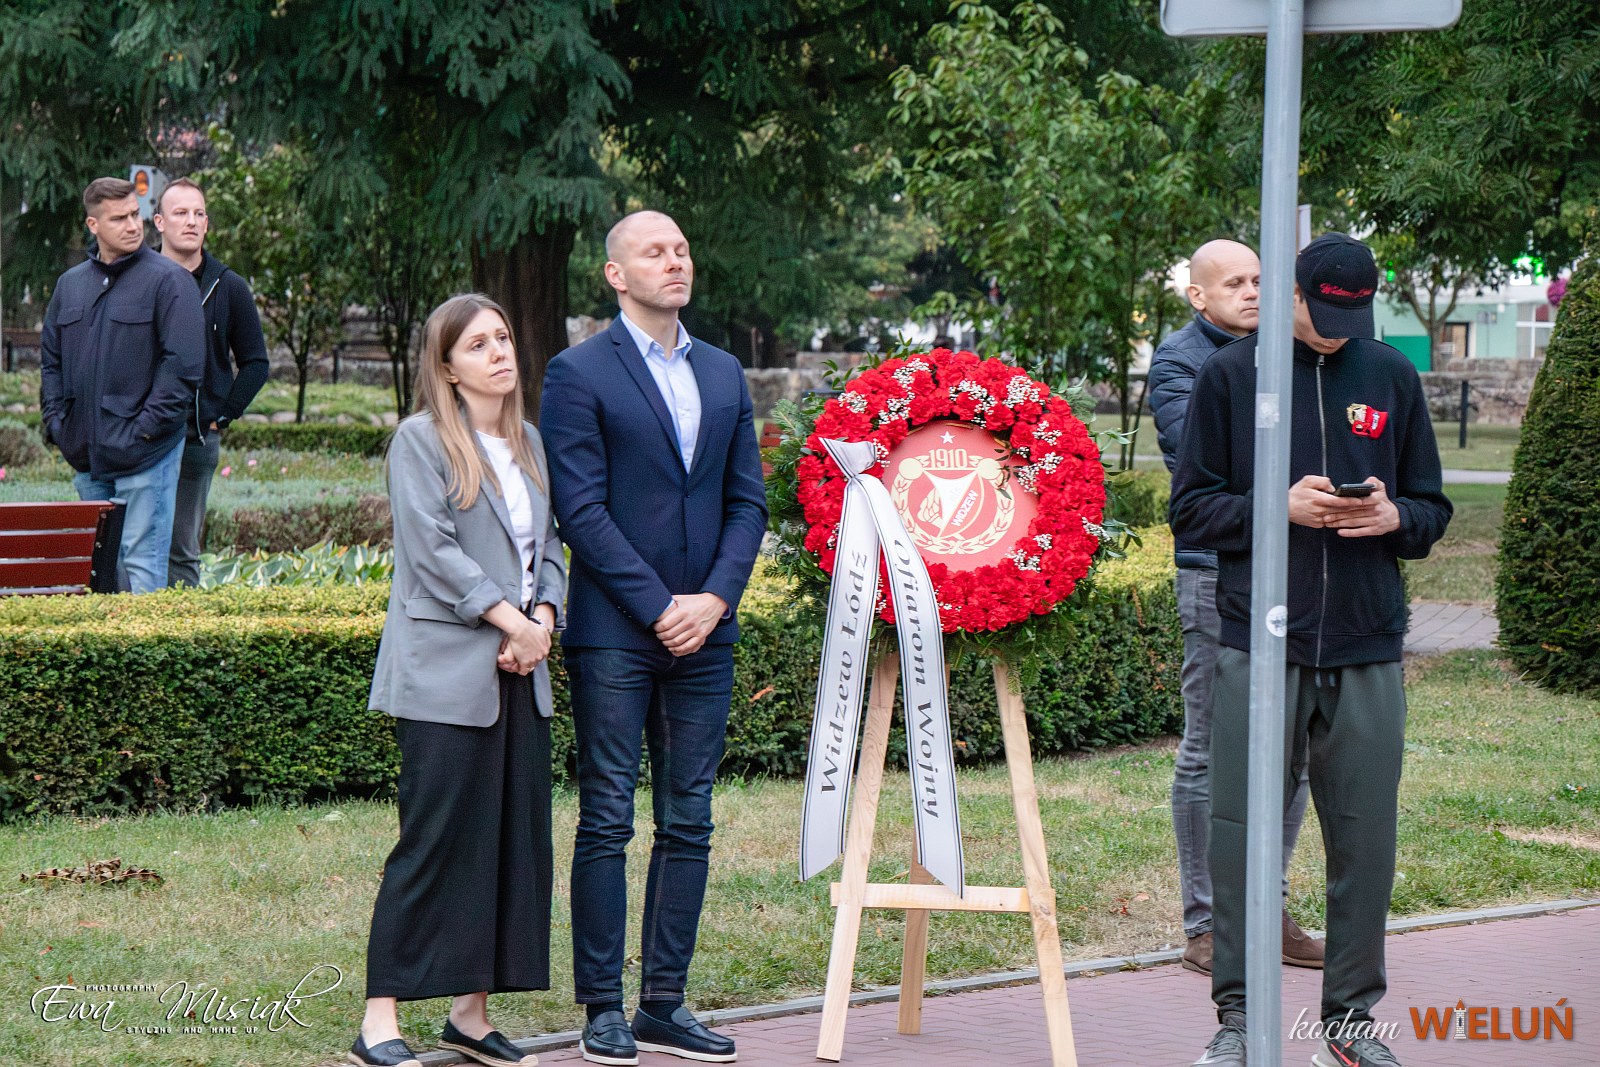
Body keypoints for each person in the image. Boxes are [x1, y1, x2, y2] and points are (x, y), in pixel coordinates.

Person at [1171, 234, 1451, 1067]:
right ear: (1292, 293)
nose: (1336, 330)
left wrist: (1397, 516)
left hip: (1366, 643)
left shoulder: (1390, 375)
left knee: (1365, 841)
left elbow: (1431, 508)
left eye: (1351, 316)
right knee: (1239, 835)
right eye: (1324, 311)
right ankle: (1239, 1017)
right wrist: (1276, 506)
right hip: (1259, 641)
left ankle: (1351, 1022)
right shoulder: (1232, 375)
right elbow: (1191, 511)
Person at [540, 211, 767, 1066]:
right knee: (607, 816)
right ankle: (602, 1007)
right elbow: (580, 509)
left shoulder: (723, 371)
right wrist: (657, 604)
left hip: (706, 631)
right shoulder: (577, 372)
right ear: (615, 274)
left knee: (690, 818)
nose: (675, 261)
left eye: (681, 249)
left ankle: (664, 1003)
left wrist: (712, 599)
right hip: (615, 633)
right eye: (654, 252)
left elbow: (747, 501)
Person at [354, 294, 566, 1067]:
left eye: (503, 337)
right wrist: (514, 623)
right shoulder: (420, 440)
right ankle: (378, 1020)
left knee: (509, 842)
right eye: (477, 344)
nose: (499, 352)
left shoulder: (528, 442)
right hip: (444, 672)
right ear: (446, 367)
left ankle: (469, 1015)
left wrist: (542, 617)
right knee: (434, 840)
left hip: (520, 670)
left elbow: (551, 549)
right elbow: (432, 551)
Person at [1148, 239, 1323, 977]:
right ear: (1198, 295)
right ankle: (1207, 924)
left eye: (1260, 279)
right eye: (1234, 283)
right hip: (1215, 572)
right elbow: (1207, 458)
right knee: (1210, 746)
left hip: (1292, 569)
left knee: (1296, 745)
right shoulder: (1180, 362)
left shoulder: (1290, 351)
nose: (1253, 292)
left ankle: (1264, 909)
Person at [39, 177, 204, 593]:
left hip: (147, 455)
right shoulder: (70, 285)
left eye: (135, 214)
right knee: (101, 577)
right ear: (93, 225)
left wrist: (143, 431)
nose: (132, 226)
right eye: (119, 219)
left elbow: (183, 368)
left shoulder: (170, 281)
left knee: (143, 572)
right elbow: (51, 362)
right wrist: (59, 425)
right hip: (87, 456)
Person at [153, 177, 270, 587]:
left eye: (199, 213)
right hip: (139, 436)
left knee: (181, 550)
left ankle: (182, 624)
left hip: (197, 437)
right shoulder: (139, 278)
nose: (191, 221)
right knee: (134, 543)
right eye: (181, 213)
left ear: (207, 224)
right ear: (159, 222)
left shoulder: (229, 286)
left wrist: (222, 414)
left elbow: (256, 363)